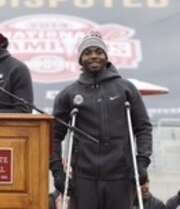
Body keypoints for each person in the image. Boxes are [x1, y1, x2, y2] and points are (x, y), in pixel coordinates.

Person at [49, 31, 153, 209]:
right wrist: (57, 171)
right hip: (84, 178)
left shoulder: (125, 89)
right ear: (80, 60)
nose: (93, 56)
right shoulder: (69, 94)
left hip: (121, 175)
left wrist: (142, 162)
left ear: (106, 56)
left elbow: (143, 128)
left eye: (98, 51)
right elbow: (53, 136)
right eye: (87, 53)